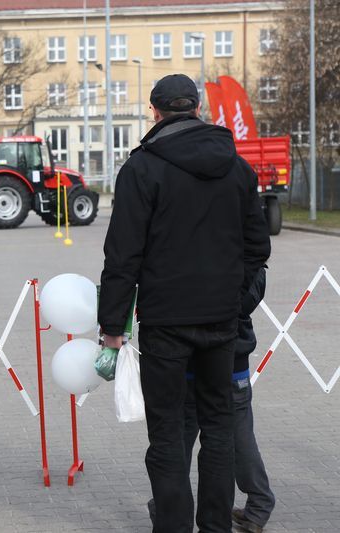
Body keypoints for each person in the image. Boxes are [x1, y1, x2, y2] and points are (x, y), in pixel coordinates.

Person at [98, 74, 271, 533]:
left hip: (165, 322)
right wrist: (234, 301)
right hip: (220, 321)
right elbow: (258, 248)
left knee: (169, 433)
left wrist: (112, 327)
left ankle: (173, 526)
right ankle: (214, 526)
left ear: (155, 112)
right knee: (218, 428)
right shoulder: (236, 167)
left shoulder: (141, 168)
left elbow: (122, 255)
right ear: (196, 107)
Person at [148, 267, 274, 533]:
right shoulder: (247, 255)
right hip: (222, 356)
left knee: (182, 433)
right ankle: (258, 506)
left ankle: (165, 506)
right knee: (232, 433)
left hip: (207, 355)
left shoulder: (196, 251)